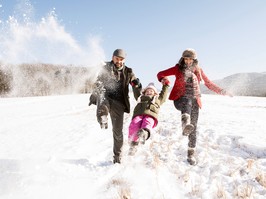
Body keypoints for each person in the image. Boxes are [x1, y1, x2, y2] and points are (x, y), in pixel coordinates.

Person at [157, 48, 232, 165]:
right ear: (183, 59)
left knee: (194, 128)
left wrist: (223, 91)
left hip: (195, 101)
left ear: (194, 60)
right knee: (187, 100)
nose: (187, 62)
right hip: (180, 100)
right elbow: (160, 73)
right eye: (185, 59)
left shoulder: (198, 71)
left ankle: (190, 154)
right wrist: (164, 80)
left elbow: (209, 84)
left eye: (190, 59)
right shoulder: (178, 69)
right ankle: (184, 122)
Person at [89, 49, 142, 164]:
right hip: (107, 97)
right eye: (117, 59)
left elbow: (133, 82)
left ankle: (117, 157)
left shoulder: (128, 71)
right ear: (113, 57)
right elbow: (96, 80)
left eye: (121, 59)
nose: (119, 61)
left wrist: (137, 85)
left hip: (119, 103)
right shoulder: (105, 67)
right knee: (102, 98)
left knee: (117, 132)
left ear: (124, 60)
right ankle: (103, 117)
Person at [127, 80, 170, 156]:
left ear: (155, 93)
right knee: (134, 124)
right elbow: (136, 92)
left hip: (150, 115)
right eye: (148, 90)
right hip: (139, 115)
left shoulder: (158, 99)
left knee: (147, 122)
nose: (149, 92)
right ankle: (133, 144)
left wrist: (165, 85)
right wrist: (134, 85)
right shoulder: (140, 97)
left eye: (151, 91)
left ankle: (144, 133)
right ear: (144, 92)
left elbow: (163, 95)